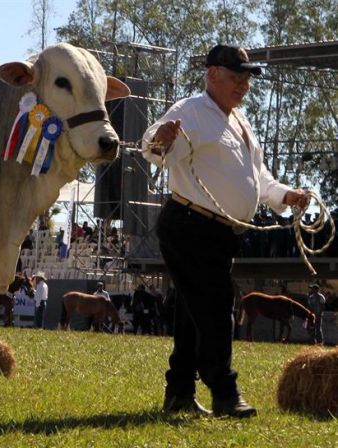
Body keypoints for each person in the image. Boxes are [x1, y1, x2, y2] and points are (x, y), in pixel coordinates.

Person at [141, 44, 310, 418]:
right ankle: (224, 390)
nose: (244, 85)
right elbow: (153, 147)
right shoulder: (190, 111)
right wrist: (162, 138)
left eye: (247, 78)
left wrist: (288, 195)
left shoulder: (241, 121)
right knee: (217, 306)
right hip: (189, 225)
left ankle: (180, 392)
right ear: (213, 74)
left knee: (191, 312)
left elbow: (259, 180)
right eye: (237, 77)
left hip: (217, 232)